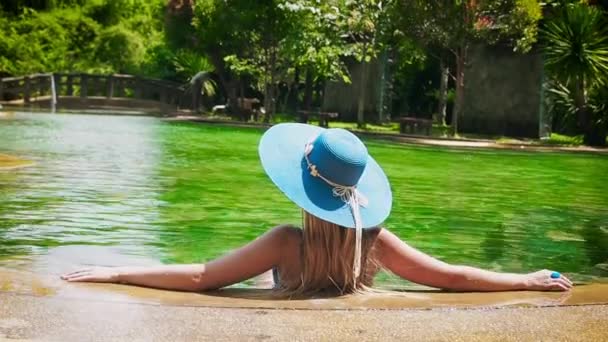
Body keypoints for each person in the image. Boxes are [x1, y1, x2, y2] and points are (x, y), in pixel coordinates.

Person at [62, 123, 573, 295]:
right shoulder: (375, 243)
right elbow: (451, 277)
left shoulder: (287, 242)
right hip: (346, 277)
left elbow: (202, 276)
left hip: (289, 282)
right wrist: (523, 281)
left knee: (263, 282)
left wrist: (118, 271)